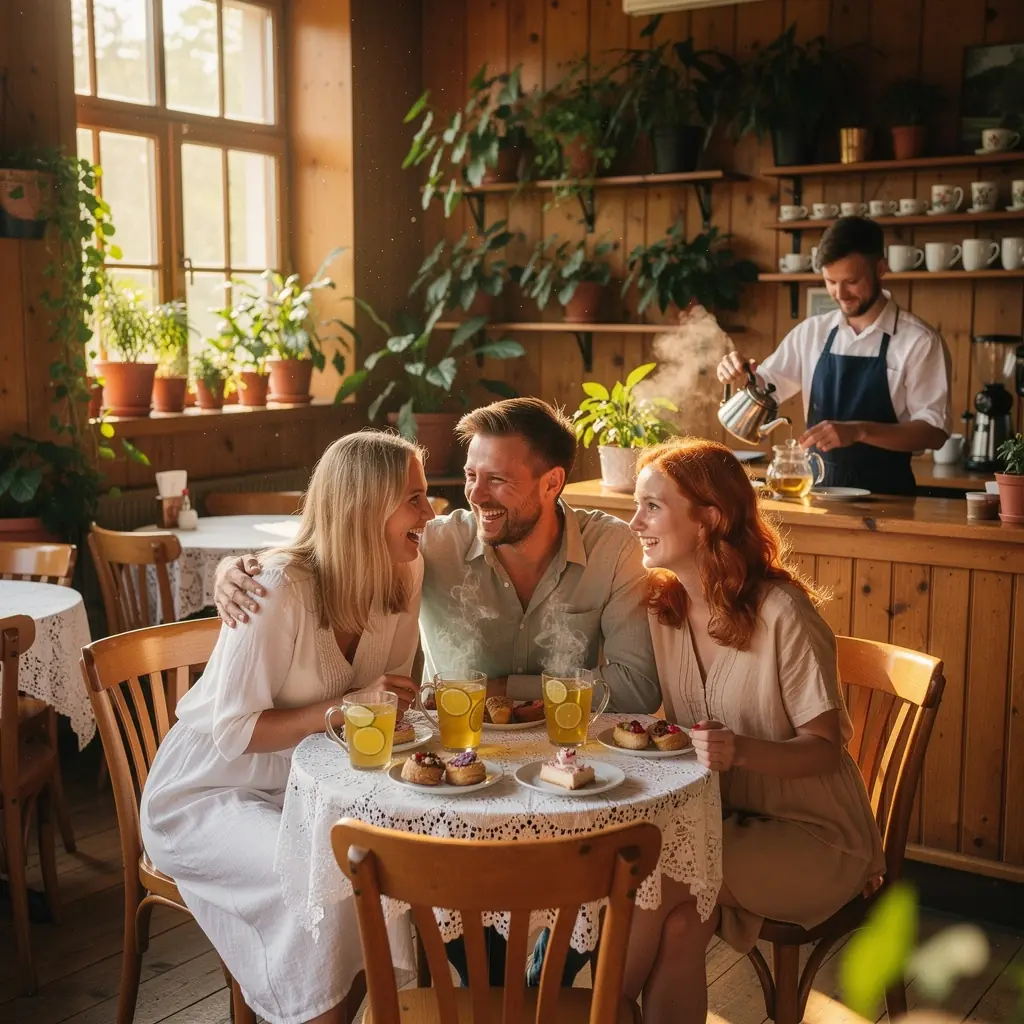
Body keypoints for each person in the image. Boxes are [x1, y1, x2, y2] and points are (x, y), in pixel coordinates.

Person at [212, 398, 661, 988]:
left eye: (498, 479)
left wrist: (503, 689)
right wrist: (232, 571)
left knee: (604, 877)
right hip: (448, 773)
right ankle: (492, 990)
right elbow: (337, 543)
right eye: (471, 475)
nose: (475, 495)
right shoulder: (433, 544)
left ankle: (529, 987)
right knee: (396, 876)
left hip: (569, 768)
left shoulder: (613, 549)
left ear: (553, 483)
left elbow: (635, 685)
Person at [140, 431, 434, 1024]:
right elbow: (236, 731)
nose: (430, 512)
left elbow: (377, 709)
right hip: (210, 791)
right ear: (363, 508)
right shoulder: (276, 589)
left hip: (311, 785)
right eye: (416, 499)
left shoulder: (405, 571)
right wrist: (345, 706)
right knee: (320, 875)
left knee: (378, 869)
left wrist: (382, 710)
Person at [622, 438, 885, 1024]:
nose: (634, 521)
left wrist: (738, 750)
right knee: (681, 915)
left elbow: (823, 751)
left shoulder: (783, 614)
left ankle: (597, 1009)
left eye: (652, 507)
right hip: (722, 824)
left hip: (815, 837)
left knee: (660, 874)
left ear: (709, 518)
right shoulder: (663, 610)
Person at [717, 216, 950, 495]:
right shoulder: (812, 333)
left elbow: (934, 432)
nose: (840, 294)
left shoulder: (919, 341)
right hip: (816, 494)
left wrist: (859, 431)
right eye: (830, 281)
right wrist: (739, 373)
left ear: (881, 269)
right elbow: (764, 389)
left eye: (851, 281)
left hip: (890, 499)